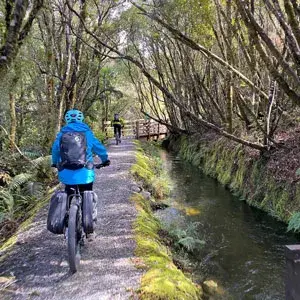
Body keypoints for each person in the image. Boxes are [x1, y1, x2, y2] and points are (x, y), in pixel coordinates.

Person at [51, 109, 110, 236]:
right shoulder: (87, 132)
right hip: (85, 173)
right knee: (87, 194)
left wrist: (54, 163)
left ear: (67, 120)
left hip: (66, 173)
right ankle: (89, 230)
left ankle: (67, 219)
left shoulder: (62, 134)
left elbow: (55, 150)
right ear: (81, 119)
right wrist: (105, 160)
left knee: (68, 191)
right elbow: (99, 148)